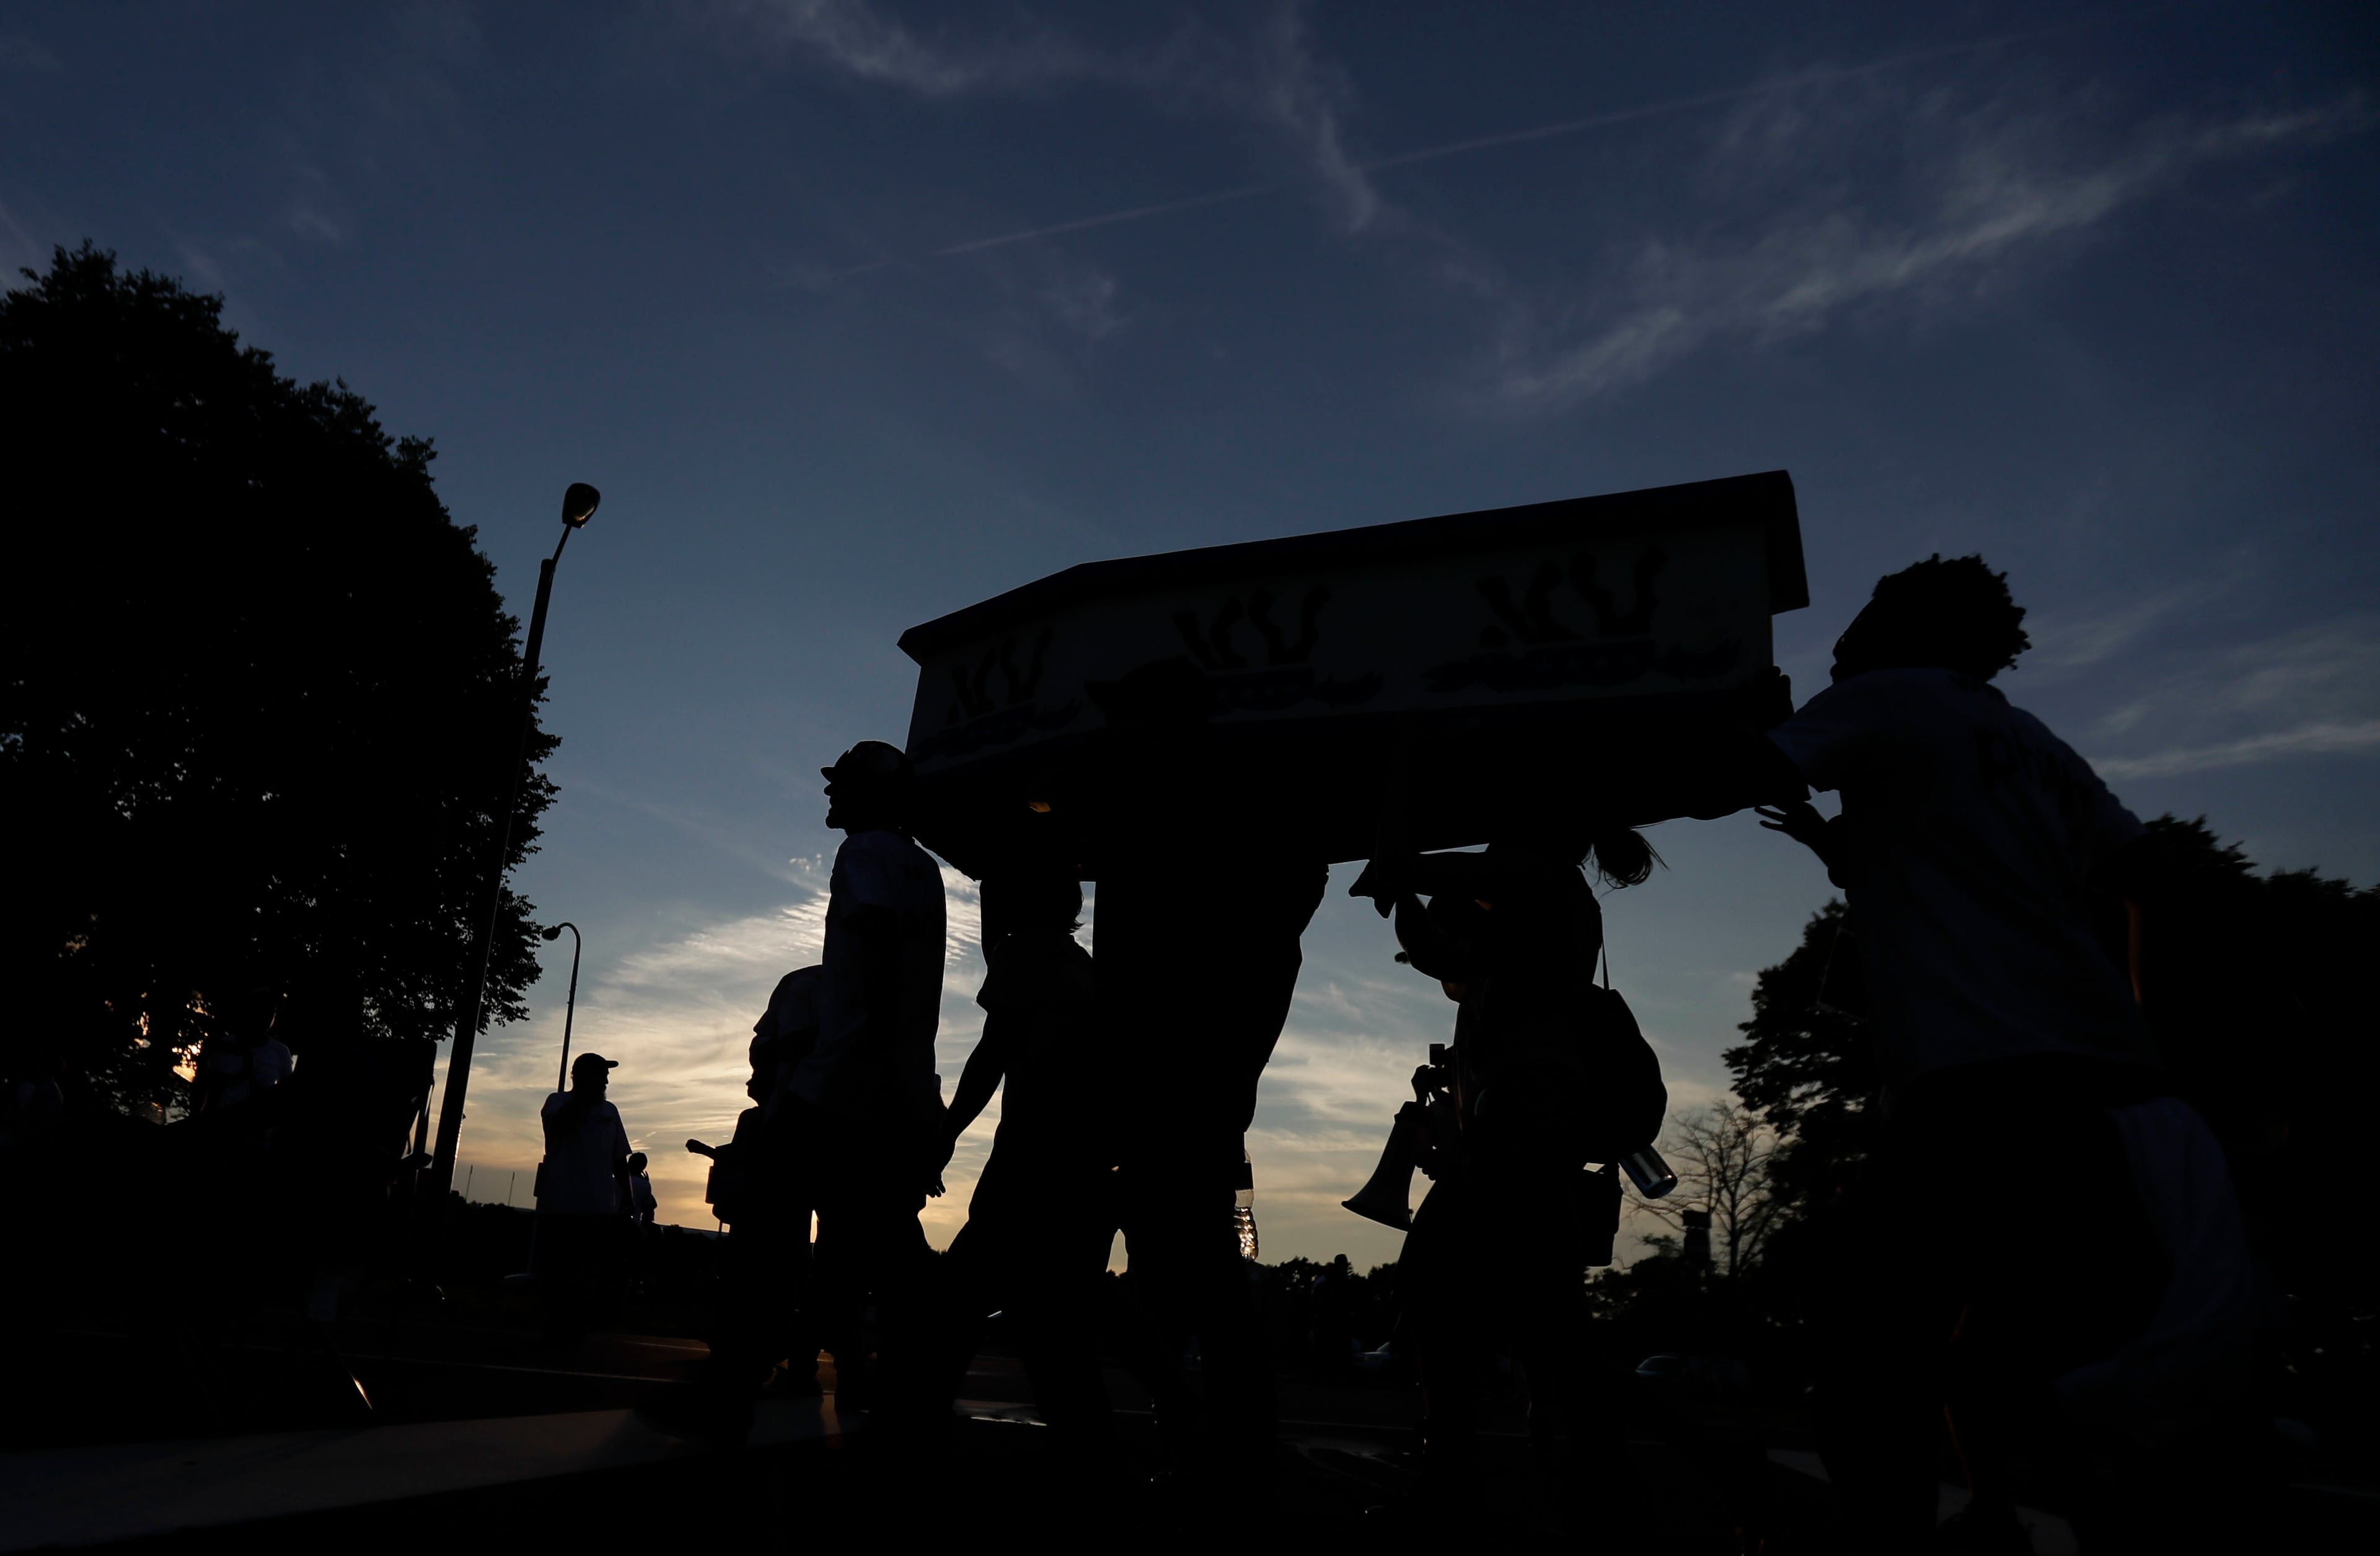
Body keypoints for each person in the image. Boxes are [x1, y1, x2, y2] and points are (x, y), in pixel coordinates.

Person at [1752, 553, 2255, 1550]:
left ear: (1902, 627)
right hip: (2118, 1091)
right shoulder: (2037, 744)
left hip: (1986, 1087)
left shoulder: (1880, 696)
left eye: (1865, 616)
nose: (1843, 638)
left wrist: (1727, 710)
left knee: (1866, 1364)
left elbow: (1733, 770)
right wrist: (2144, 1030)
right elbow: (2161, 885)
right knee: (2039, 1362)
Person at [1355, 830, 1667, 1499]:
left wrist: (1400, 878)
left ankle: (1451, 1471)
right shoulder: (1551, 897)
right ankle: (1688, 1467)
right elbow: (1445, 941)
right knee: (1554, 1337)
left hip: (1522, 1132)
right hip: (1534, 1134)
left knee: (1434, 1286)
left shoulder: (1531, 874)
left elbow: (1436, 927)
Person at [780, 741, 949, 1424]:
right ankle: (853, 1370)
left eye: (842, 785)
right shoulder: (925, 868)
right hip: (895, 1079)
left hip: (846, 1077)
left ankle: (746, 1377)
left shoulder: (865, 855)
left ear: (873, 795)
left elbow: (875, 948)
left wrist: (858, 1064)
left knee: (793, 1209)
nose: (831, 795)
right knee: (864, 1235)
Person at [925, 868, 1114, 1449]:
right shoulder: (1080, 964)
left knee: (961, 1297)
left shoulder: (1024, 952)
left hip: (1031, 1156)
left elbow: (993, 1051)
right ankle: (1088, 1443)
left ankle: (915, 1423)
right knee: (1048, 1317)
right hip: (1081, 1163)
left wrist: (947, 1128)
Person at [537, 1051, 633, 1347]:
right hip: (562, 1204)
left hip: (599, 1206)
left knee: (589, 1270)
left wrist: (627, 1198)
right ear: (581, 1076)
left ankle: (579, 1326)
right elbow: (559, 1128)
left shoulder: (610, 1111)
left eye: (605, 1075)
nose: (605, 1080)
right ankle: (557, 1326)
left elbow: (619, 1159)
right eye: (600, 1074)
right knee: (560, 1269)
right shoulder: (558, 1103)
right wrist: (583, 1098)